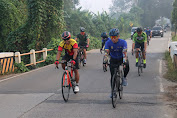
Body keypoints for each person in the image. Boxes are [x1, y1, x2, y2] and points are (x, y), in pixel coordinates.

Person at [105, 28, 130, 97]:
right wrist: (105, 61)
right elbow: (106, 53)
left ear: (118, 36)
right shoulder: (108, 42)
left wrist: (124, 62)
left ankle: (124, 77)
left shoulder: (123, 42)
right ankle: (113, 91)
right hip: (113, 59)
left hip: (121, 58)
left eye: (114, 37)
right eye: (111, 37)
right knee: (112, 76)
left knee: (127, 65)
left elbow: (125, 53)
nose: (113, 39)